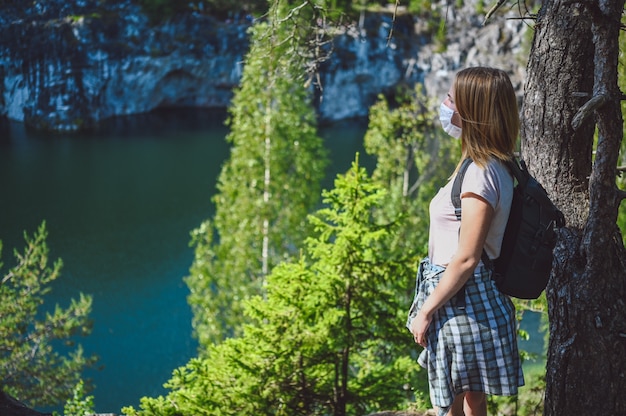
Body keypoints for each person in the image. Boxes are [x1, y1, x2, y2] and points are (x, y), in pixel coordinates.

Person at [407, 67, 524, 416]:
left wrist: (426, 311)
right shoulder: (486, 166)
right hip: (465, 300)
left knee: (448, 405)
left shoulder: (480, 174)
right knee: (470, 399)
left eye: (452, 98)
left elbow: (467, 257)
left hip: (461, 301)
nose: (445, 104)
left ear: (472, 111)